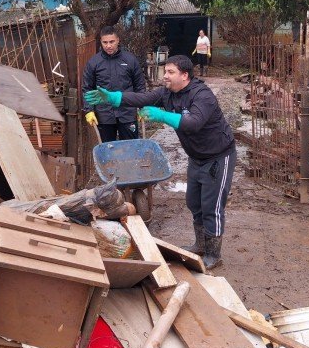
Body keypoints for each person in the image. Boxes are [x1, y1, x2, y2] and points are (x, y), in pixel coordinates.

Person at [84, 55, 235, 269]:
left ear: (184, 75)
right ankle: (200, 245)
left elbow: (194, 123)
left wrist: (161, 116)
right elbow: (142, 99)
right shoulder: (167, 93)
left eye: (170, 72)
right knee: (194, 202)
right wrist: (113, 98)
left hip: (218, 156)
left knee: (212, 207)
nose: (165, 76)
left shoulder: (203, 96)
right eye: (165, 71)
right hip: (197, 157)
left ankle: (213, 254)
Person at [82, 26, 146, 142]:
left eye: (111, 42)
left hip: (127, 113)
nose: (108, 45)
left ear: (118, 40)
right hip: (104, 115)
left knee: (130, 148)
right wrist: (89, 110)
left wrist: (143, 107)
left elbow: (140, 86)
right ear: (101, 42)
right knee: (107, 149)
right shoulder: (93, 63)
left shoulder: (130, 60)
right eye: (105, 42)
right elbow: (87, 88)